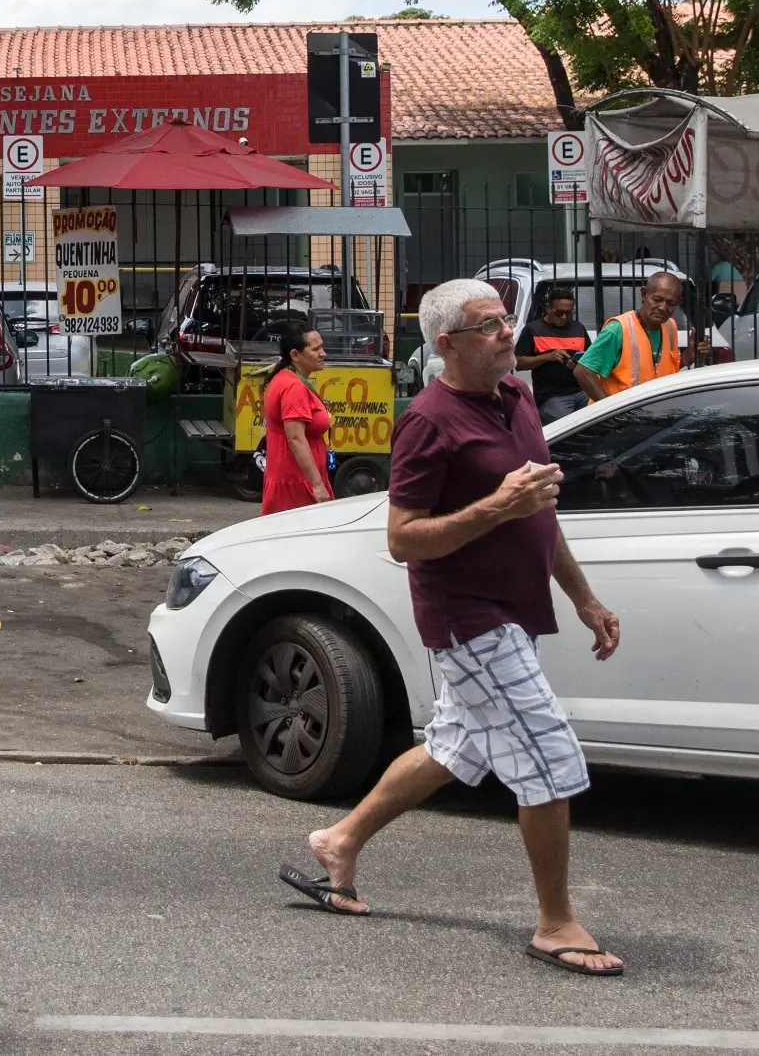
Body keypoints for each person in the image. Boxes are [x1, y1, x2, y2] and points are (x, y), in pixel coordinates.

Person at [290, 277, 625, 976]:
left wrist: (584, 598)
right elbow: (403, 538)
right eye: (489, 325)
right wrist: (496, 507)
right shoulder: (428, 420)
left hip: (517, 609)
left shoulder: (517, 398)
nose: (508, 333)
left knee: (455, 747)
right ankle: (556, 923)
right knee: (549, 757)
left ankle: (340, 841)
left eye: (506, 319)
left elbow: (539, 511)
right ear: (447, 343)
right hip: (468, 617)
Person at [573, 271, 686, 404]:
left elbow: (659, 370)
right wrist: (610, 408)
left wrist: (688, 358)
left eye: (671, 303)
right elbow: (583, 372)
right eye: (657, 300)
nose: (663, 307)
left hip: (655, 412)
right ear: (644, 294)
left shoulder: (670, 326)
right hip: (624, 414)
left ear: (678, 303)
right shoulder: (618, 329)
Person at [260, 325, 334, 514]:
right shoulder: (293, 387)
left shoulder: (285, 378)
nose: (323, 353)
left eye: (322, 347)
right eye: (316, 349)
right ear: (295, 355)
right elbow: (295, 439)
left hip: (295, 479)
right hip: (297, 484)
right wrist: (317, 485)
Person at [516, 288, 593, 423]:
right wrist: (547, 357)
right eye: (559, 313)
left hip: (581, 390)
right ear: (548, 308)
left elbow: (589, 358)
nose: (563, 317)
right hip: (552, 395)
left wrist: (577, 364)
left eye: (568, 313)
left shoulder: (578, 328)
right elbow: (518, 363)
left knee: (600, 418)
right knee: (566, 425)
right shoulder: (533, 330)